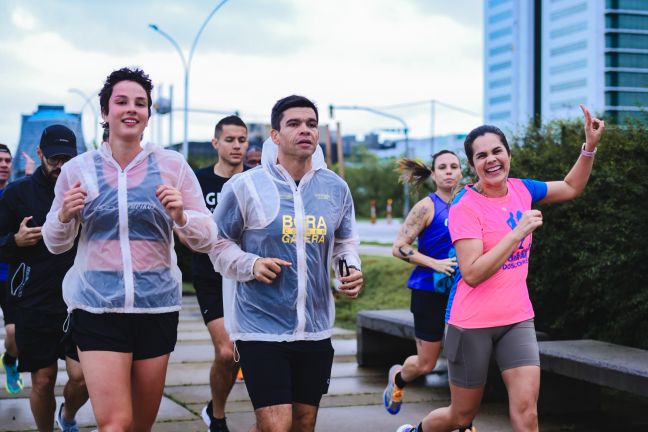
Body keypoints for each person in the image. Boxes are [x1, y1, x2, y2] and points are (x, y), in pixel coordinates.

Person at [396, 105, 605, 432]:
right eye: (481, 156)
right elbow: (473, 273)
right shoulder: (465, 206)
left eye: (497, 151)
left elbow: (571, 187)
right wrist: (517, 233)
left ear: (508, 154)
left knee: (527, 415)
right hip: (471, 325)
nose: (491, 159)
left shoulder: (523, 189)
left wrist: (589, 146)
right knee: (461, 416)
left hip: (517, 319)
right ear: (473, 165)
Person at [42, 67, 217, 431]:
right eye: (121, 102)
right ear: (105, 113)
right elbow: (55, 244)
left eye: (141, 103)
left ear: (149, 115)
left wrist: (181, 216)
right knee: (115, 424)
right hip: (96, 308)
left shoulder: (171, 166)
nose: (131, 109)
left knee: (139, 425)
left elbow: (206, 238)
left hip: (157, 307)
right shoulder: (79, 170)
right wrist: (64, 215)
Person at [209, 95, 364, 432]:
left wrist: (350, 269)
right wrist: (250, 264)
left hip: (315, 328)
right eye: (294, 124)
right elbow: (217, 242)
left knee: (303, 423)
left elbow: (344, 242)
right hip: (260, 328)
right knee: (277, 426)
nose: (304, 130)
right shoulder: (246, 187)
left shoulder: (335, 188)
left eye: (311, 124)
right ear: (275, 135)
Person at [0, 125, 89, 432]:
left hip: (80, 299)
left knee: (83, 377)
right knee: (43, 379)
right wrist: (14, 241)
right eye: (54, 159)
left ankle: (68, 417)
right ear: (40, 154)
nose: (61, 166)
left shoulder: (87, 191)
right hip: (33, 300)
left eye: (67, 158)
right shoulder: (16, 193)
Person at [385, 150, 474, 430]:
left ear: (462, 172)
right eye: (442, 167)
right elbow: (398, 247)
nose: (449, 172)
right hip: (428, 291)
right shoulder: (426, 207)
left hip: (465, 292)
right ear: (433, 174)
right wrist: (433, 263)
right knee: (426, 363)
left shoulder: (471, 201)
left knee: (465, 359)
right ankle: (399, 378)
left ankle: (464, 422)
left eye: (454, 167)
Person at [192, 115, 249, 432]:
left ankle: (213, 405)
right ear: (216, 143)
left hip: (246, 278)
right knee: (226, 351)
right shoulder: (199, 182)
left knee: (238, 353)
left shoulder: (256, 180)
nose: (237, 145)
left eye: (242, 140)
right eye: (230, 139)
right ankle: (218, 417)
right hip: (210, 276)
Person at [0, 143, 24, 395]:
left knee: (15, 334)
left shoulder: (17, 195)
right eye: (0, 160)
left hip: (8, 275)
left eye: (7, 160)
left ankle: (9, 360)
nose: (4, 164)